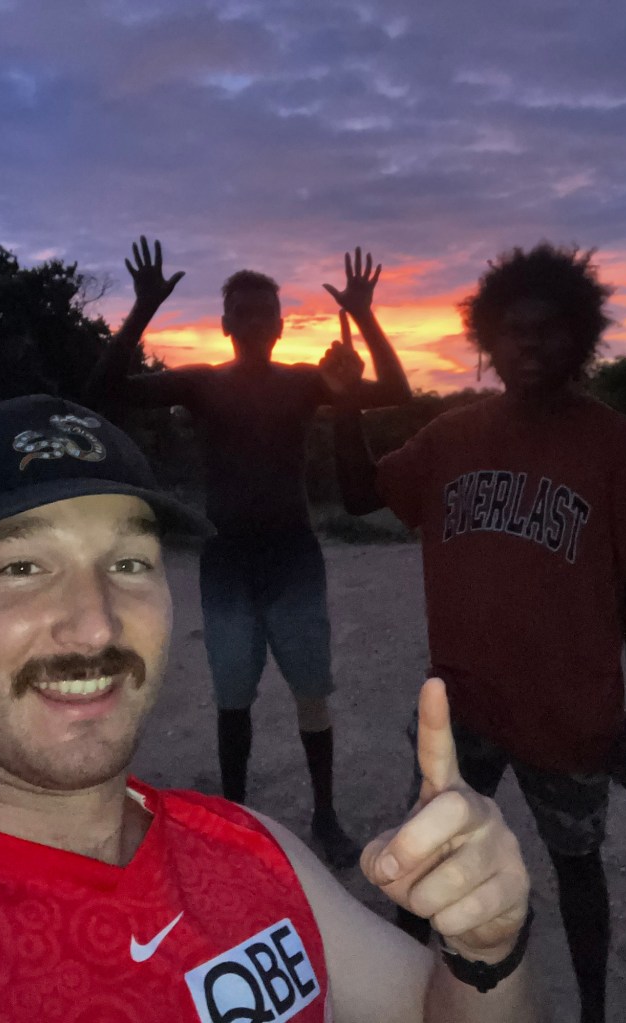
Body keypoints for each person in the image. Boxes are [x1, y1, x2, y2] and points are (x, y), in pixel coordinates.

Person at [0, 394, 541, 1022]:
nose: (97, 626)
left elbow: (430, 1011)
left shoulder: (252, 849)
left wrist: (487, 952)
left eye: (129, 563)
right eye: (22, 567)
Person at [325, 243, 626, 1023]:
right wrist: (344, 405)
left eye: (549, 328)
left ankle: (591, 1009)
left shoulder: (615, 445)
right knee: (427, 860)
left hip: (569, 714)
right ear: (487, 337)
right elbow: (356, 495)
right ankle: (408, 995)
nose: (531, 344)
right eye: (514, 329)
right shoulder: (453, 436)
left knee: (576, 866)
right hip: (464, 708)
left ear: (581, 335)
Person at [84, 238, 411, 869]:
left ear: (281, 326)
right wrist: (144, 306)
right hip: (227, 562)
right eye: (244, 312)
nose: (257, 322)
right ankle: (234, 820)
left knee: (311, 694)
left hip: (293, 558)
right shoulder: (202, 385)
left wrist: (364, 316)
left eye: (267, 313)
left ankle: (325, 817)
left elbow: (394, 389)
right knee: (233, 699)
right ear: (226, 324)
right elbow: (106, 390)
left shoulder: (305, 383)